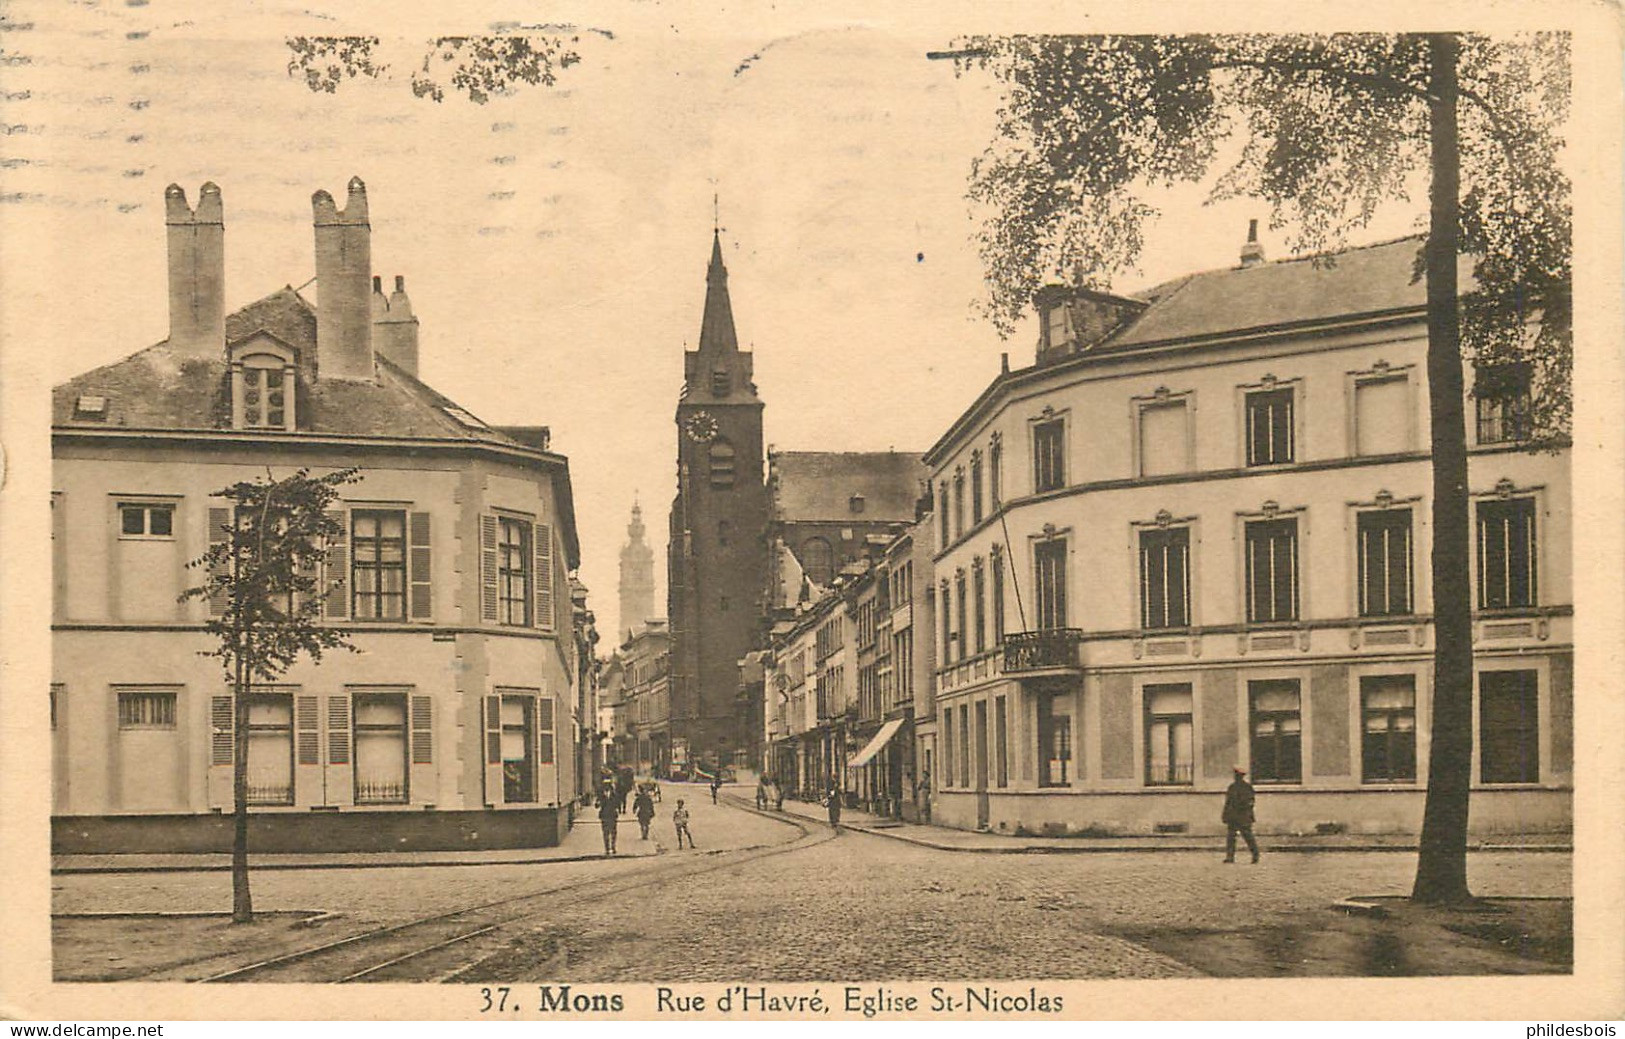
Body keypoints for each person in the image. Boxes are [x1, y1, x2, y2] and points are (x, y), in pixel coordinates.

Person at [1222, 766, 1260, 863]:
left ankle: (1255, 854)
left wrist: (1245, 810)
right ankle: (1230, 857)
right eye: (1236, 775)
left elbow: (1250, 802)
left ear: (1241, 776)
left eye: (1238, 775)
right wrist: (1225, 815)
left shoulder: (1247, 787)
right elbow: (1228, 802)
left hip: (1243, 816)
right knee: (1231, 837)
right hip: (1233, 816)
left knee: (1248, 836)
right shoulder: (1232, 787)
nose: (1236, 777)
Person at [597, 787, 620, 856]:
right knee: (605, 833)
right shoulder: (601, 797)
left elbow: (618, 804)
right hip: (604, 817)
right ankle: (607, 848)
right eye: (605, 791)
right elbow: (597, 805)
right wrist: (598, 803)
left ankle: (613, 847)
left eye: (608, 790)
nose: (606, 792)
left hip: (612, 816)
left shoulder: (614, 796)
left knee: (613, 833)